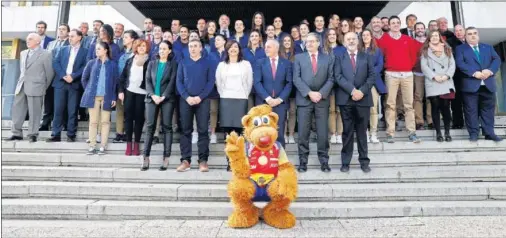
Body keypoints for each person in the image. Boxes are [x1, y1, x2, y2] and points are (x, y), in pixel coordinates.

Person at [293, 33, 335, 173]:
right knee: (303, 132)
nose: (309, 44)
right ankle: (303, 161)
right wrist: (309, 93)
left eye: (312, 41)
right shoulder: (299, 58)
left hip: (322, 100)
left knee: (322, 132)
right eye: (307, 42)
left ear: (319, 43)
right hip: (305, 99)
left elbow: (331, 78)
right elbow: (296, 79)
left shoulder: (328, 58)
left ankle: (324, 161)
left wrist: (321, 93)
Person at [334, 32, 375, 173]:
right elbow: (338, 76)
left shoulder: (367, 56)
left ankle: (364, 162)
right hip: (346, 99)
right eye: (348, 39)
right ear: (344, 42)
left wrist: (361, 91)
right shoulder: (339, 57)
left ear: (358, 41)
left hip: (363, 99)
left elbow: (372, 76)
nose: (351, 41)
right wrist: (352, 90)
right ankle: (345, 162)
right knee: (347, 132)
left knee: (362, 132)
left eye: (353, 39)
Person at [376, 16, 420, 143]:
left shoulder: (408, 39)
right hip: (391, 74)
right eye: (393, 23)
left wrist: (406, 67)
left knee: (408, 105)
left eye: (397, 23)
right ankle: (390, 133)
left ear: (400, 25)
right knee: (390, 104)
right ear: (389, 25)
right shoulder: (383, 40)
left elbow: (413, 57)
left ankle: (412, 132)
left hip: (407, 74)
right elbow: (381, 56)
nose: (395, 25)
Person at [455, 27, 502, 142]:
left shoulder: (488, 47)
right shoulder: (460, 49)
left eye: (475, 33)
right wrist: (473, 73)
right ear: (465, 37)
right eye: (469, 34)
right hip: (470, 85)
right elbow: (460, 63)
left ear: (478, 35)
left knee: (488, 111)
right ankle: (474, 134)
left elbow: (497, 60)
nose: (473, 36)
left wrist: (490, 70)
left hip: (488, 84)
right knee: (471, 111)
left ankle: (489, 133)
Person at [176, 39, 216, 172]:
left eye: (195, 46)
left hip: (202, 100)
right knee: (185, 130)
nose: (192, 48)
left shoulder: (207, 63)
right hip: (185, 100)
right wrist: (187, 97)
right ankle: (185, 160)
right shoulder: (183, 62)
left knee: (203, 130)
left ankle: (203, 161)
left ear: (201, 48)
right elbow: (179, 81)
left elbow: (210, 82)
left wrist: (200, 97)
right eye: (190, 46)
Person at [6, 33, 54, 142]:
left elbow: (49, 73)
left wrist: (43, 87)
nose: (28, 41)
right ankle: (16, 133)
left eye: (30, 39)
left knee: (35, 112)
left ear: (38, 41)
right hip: (22, 85)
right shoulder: (23, 53)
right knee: (17, 110)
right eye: (27, 39)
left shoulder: (46, 54)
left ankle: (33, 134)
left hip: (37, 86)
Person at [216, 40, 253, 171]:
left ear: (239, 49)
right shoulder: (221, 65)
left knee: (240, 132)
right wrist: (225, 94)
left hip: (241, 99)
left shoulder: (246, 64)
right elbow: (218, 83)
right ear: (227, 49)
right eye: (230, 47)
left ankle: (240, 161)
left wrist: (243, 94)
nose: (233, 49)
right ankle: (230, 162)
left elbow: (249, 82)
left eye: (235, 47)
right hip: (226, 99)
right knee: (228, 133)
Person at [143, 40, 179, 171]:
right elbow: (147, 81)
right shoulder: (152, 63)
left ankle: (166, 157)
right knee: (150, 126)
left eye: (164, 49)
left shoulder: (173, 64)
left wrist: (164, 96)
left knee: (167, 127)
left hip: (167, 98)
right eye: (160, 48)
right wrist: (153, 95)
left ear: (169, 51)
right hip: (152, 98)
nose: (162, 51)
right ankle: (146, 157)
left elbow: (172, 81)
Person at [46, 29, 88, 142]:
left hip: (74, 84)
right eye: (69, 36)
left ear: (79, 37)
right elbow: (55, 62)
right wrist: (63, 75)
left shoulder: (85, 51)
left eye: (73, 36)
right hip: (60, 83)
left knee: (72, 110)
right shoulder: (62, 49)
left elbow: (85, 66)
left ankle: (71, 134)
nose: (70, 38)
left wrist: (73, 76)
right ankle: (55, 134)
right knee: (58, 110)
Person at [81, 42, 119, 155]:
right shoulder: (91, 63)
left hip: (107, 97)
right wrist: (88, 90)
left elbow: (115, 83)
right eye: (96, 49)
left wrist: (113, 97)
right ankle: (92, 145)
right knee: (93, 122)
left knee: (105, 122)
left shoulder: (112, 64)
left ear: (106, 50)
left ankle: (103, 146)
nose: (96, 51)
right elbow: (84, 79)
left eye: (99, 49)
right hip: (93, 97)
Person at [254, 39, 292, 148]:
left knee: (279, 131)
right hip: (263, 102)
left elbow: (289, 83)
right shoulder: (260, 63)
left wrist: (279, 99)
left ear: (276, 48)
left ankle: (280, 157)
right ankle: (265, 160)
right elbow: (257, 82)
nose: (266, 49)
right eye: (265, 47)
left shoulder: (286, 63)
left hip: (280, 103)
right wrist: (268, 98)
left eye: (269, 47)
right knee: (264, 131)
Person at [421, 30, 456, 142]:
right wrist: (434, 76)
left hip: (445, 81)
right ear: (429, 39)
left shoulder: (447, 49)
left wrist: (446, 76)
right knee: (435, 107)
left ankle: (447, 132)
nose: (435, 37)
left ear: (440, 37)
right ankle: (438, 133)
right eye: (432, 36)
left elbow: (452, 65)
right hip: (433, 81)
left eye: (436, 35)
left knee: (446, 107)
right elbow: (424, 66)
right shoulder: (425, 51)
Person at [118, 39, 151, 156]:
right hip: (129, 92)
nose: (141, 48)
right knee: (128, 118)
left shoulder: (150, 61)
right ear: (136, 48)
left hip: (142, 93)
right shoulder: (130, 60)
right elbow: (122, 78)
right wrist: (121, 91)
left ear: (147, 48)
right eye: (139, 46)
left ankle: (136, 145)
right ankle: (128, 145)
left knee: (139, 119)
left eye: (144, 46)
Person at [361, 29, 385, 144]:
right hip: (360, 83)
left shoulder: (377, 51)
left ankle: (373, 133)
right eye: (363, 35)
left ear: (371, 37)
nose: (365, 37)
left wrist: (368, 73)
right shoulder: (358, 50)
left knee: (373, 108)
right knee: (362, 110)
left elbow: (379, 65)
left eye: (367, 35)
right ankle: (364, 132)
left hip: (373, 83)